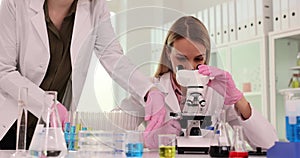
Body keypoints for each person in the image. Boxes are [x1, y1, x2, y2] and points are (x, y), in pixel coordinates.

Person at [0, 0, 165, 149]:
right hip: (8, 122)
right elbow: (3, 70)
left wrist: (148, 90)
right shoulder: (16, 4)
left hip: (50, 131)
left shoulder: (95, 6)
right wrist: (47, 105)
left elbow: (112, 56)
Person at [118, 16, 278, 149]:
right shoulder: (150, 89)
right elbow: (112, 137)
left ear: (206, 55)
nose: (190, 67)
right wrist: (146, 140)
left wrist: (239, 99)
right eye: (181, 58)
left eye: (198, 59)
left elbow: (268, 143)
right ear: (168, 52)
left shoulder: (217, 90)